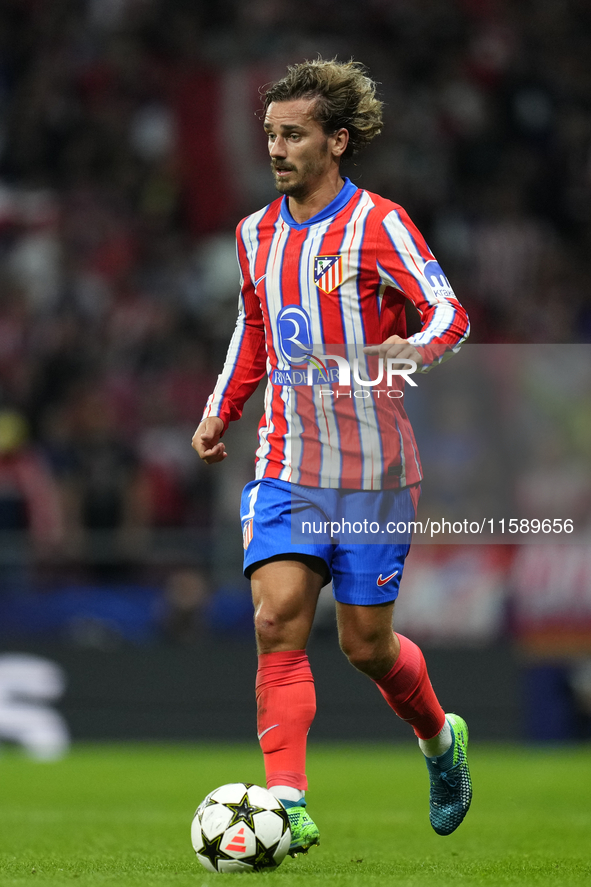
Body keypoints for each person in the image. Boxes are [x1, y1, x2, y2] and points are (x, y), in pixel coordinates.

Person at [193, 58, 472, 855]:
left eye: (293, 135)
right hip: (287, 460)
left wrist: (408, 352)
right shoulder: (253, 234)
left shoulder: (379, 225)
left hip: (373, 469)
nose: (275, 149)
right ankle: (286, 800)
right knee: (275, 617)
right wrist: (222, 409)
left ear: (336, 141)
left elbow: (449, 316)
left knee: (364, 645)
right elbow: (253, 329)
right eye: (270, 134)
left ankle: (437, 739)